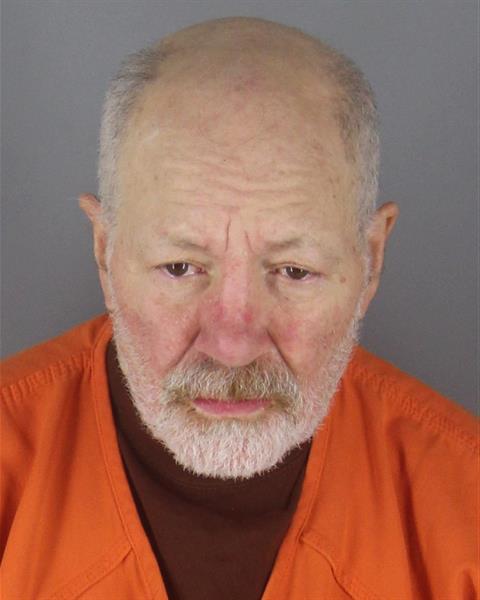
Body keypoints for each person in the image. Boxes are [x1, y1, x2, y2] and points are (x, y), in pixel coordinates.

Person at [1, 17, 477, 600]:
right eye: (180, 267)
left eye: (294, 271)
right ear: (105, 251)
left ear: (371, 260)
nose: (232, 347)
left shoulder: (466, 514)